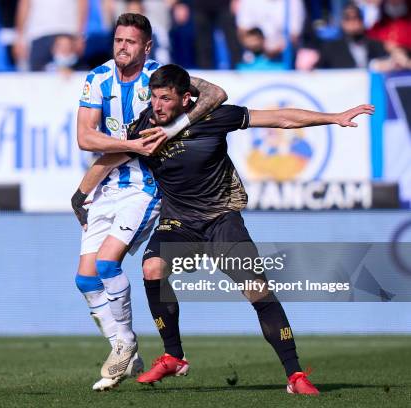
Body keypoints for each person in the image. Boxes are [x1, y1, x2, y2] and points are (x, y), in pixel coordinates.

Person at [74, 63, 375, 394]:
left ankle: (295, 375)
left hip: (222, 219)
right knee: (152, 268)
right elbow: (107, 159)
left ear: (186, 99)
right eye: (154, 98)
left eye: (165, 99)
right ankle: (173, 355)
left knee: (257, 290)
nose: (156, 106)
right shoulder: (143, 127)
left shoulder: (215, 117)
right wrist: (80, 195)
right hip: (179, 223)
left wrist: (333, 117)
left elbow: (280, 118)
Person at [72, 13, 227, 391]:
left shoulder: (161, 77)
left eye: (130, 42)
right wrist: (130, 144)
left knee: (109, 263)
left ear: (146, 46)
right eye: (118, 40)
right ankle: (124, 346)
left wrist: (172, 128)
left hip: (145, 188)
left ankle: (124, 348)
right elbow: (85, 138)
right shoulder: (98, 78)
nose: (122, 47)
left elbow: (215, 94)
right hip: (108, 185)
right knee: (84, 278)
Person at [318, 3, 388, 69]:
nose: (352, 22)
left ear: (362, 21)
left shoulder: (377, 46)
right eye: (347, 18)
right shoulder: (330, 49)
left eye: (356, 17)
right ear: (342, 22)